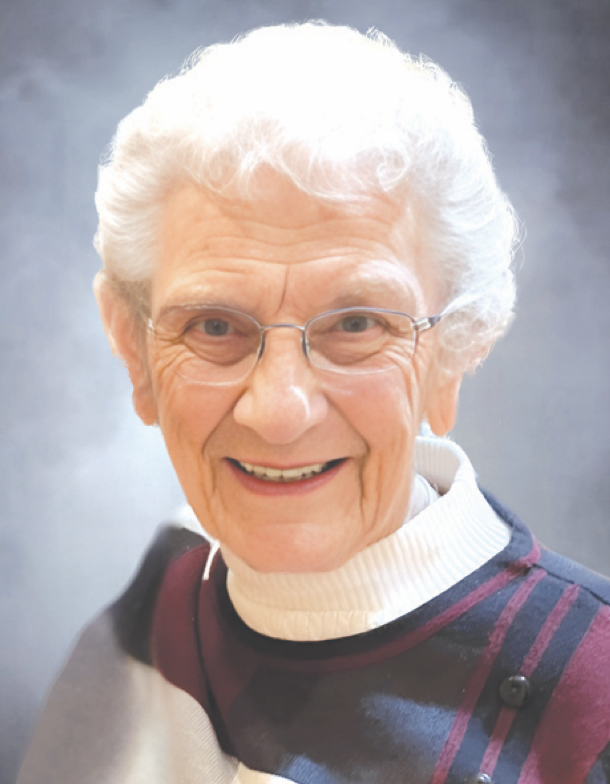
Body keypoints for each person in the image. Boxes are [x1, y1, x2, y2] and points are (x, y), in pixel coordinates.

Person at [18, 21, 610, 784]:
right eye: (216, 326)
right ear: (134, 347)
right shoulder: (151, 609)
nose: (279, 410)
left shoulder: (590, 693)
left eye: (357, 324)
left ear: (455, 346)